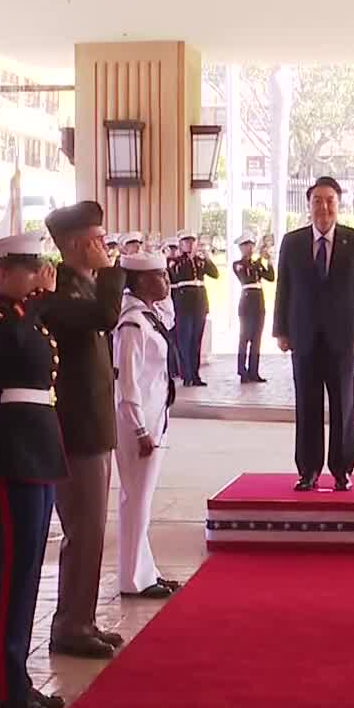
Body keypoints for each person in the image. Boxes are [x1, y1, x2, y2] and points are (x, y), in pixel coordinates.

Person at [0, 231, 69, 708]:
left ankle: (17, 678)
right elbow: (19, 351)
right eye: (28, 270)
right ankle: (4, 687)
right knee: (10, 572)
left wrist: (42, 303)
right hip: (9, 453)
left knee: (27, 570)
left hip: (36, 451)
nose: (37, 277)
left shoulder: (27, 315)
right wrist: (41, 302)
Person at [42, 201, 130, 657]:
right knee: (83, 528)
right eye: (97, 239)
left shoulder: (84, 290)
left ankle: (83, 617)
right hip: (75, 430)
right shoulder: (58, 296)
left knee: (94, 530)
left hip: (94, 426)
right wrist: (111, 272)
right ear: (77, 245)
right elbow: (106, 317)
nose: (104, 246)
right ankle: (70, 624)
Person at [272, 175, 354, 491]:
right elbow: (283, 288)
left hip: (342, 337)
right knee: (307, 403)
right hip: (303, 336)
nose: (323, 207)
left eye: (330, 200)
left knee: (344, 404)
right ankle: (309, 470)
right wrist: (281, 330)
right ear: (308, 205)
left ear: (338, 205)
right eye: (317, 200)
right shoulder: (292, 242)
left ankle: (342, 469)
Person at [115, 248, 183, 601]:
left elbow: (169, 318)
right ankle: (132, 578)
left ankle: (145, 572)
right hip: (136, 424)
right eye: (159, 276)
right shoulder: (131, 324)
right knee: (135, 500)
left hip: (155, 418)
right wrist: (139, 429)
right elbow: (126, 383)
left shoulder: (148, 315)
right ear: (141, 281)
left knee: (142, 500)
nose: (166, 282)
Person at [169, 232, 218, 386]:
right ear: (180, 244)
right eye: (186, 241)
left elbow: (215, 274)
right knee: (184, 340)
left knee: (196, 341)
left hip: (200, 304)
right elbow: (173, 277)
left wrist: (207, 256)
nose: (189, 244)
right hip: (183, 305)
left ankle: (195, 375)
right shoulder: (174, 262)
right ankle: (187, 375)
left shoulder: (200, 261)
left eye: (191, 241)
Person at [232, 237, 273, 382]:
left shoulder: (257, 263)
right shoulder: (238, 264)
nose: (248, 248)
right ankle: (242, 371)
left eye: (250, 245)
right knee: (245, 337)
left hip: (258, 301)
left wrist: (267, 260)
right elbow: (245, 273)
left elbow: (270, 277)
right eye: (245, 245)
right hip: (247, 301)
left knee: (257, 338)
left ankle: (254, 371)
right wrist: (256, 259)